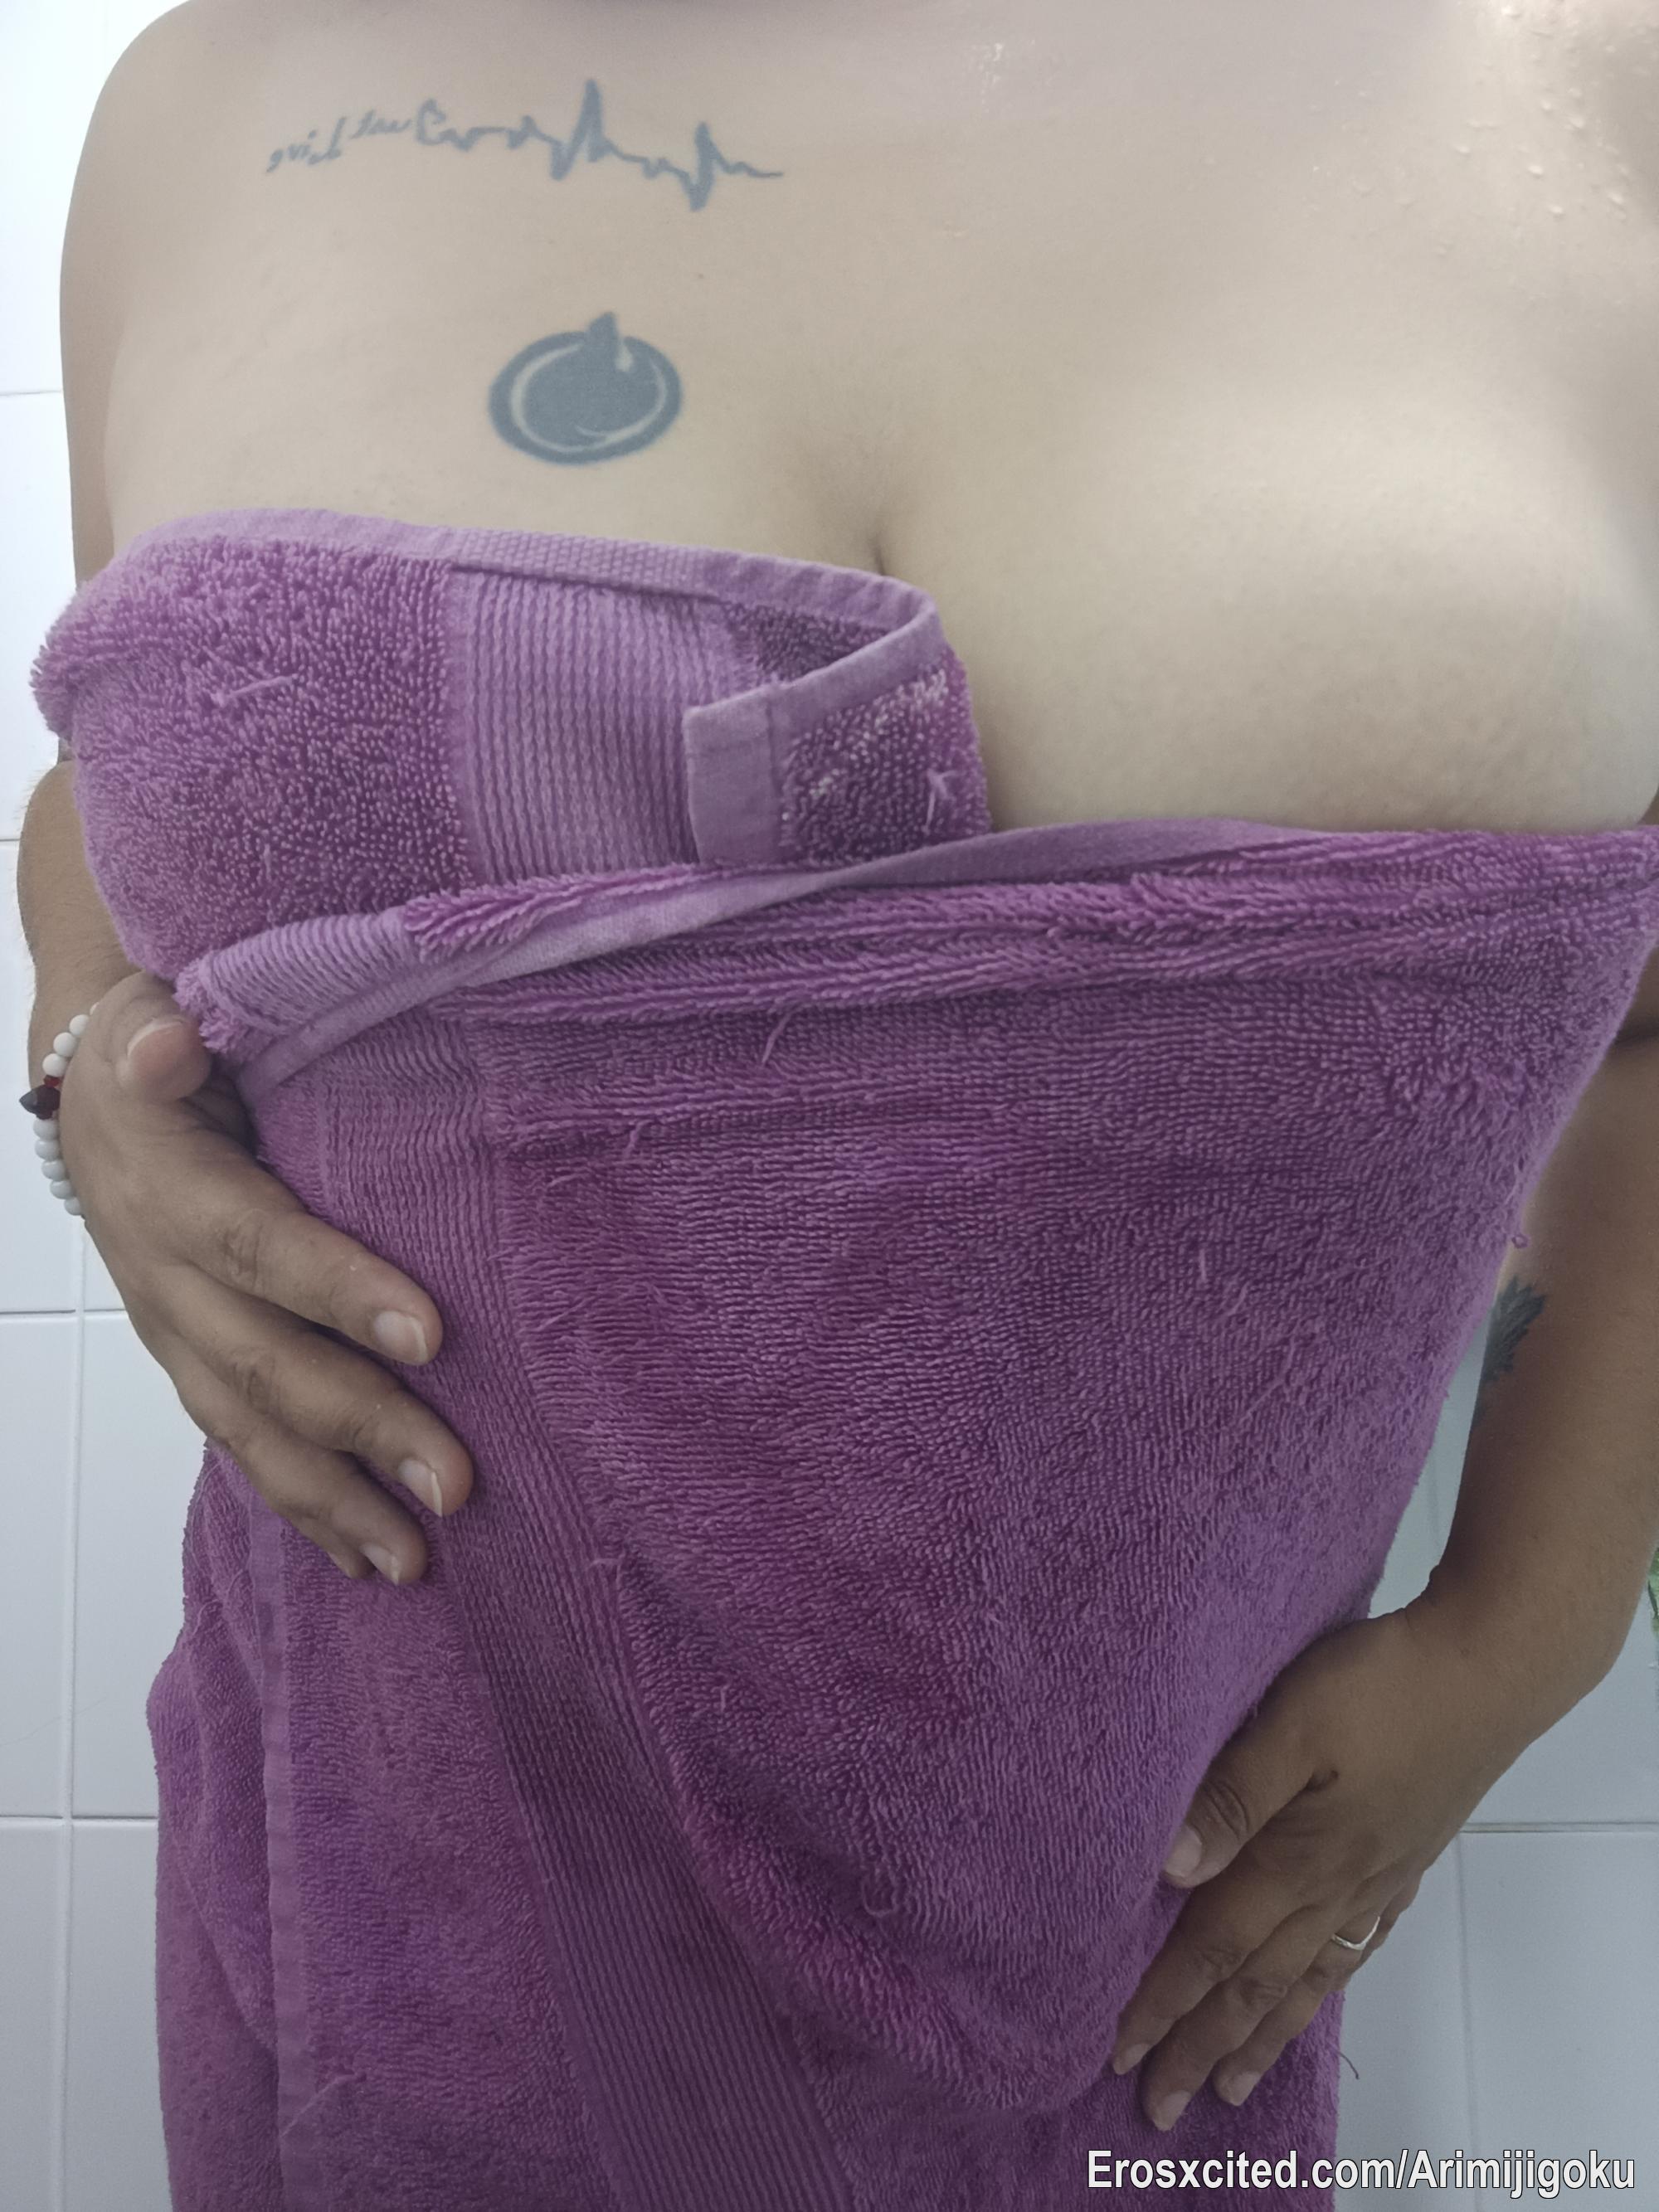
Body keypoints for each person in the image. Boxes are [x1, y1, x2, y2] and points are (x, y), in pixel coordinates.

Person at [17, 2, 1659, 2205]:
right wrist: (89, 1045)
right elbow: (113, 766)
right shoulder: (214, 99)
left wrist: (1532, 1622)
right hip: (406, 1940)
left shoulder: (1578, 82)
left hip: (1148, 1973)